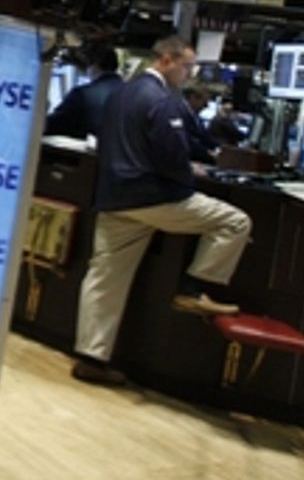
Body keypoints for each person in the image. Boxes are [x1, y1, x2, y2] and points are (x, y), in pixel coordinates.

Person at [71, 36, 253, 387]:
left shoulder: (120, 93)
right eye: (187, 66)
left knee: (104, 278)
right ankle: (194, 288)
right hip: (153, 197)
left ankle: (90, 358)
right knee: (236, 222)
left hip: (114, 196)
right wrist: (191, 173)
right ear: (167, 60)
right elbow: (171, 155)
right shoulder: (161, 100)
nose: (189, 75)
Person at [44, 44, 123, 139]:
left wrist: (42, 111)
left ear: (94, 64)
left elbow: (50, 126)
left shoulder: (83, 94)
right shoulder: (130, 95)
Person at [180, 83, 220, 164]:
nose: (206, 107)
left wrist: (222, 149)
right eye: (205, 103)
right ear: (193, 98)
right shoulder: (179, 112)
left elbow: (206, 138)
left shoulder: (195, 116)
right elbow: (186, 140)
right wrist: (208, 153)